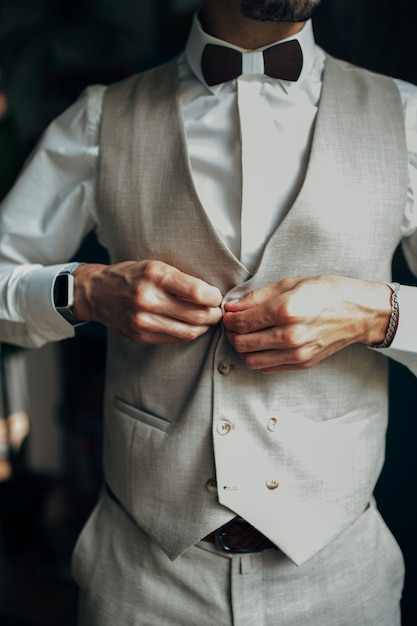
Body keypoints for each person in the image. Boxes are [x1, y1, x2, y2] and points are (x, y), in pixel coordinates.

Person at [0, 0, 417, 623]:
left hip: (341, 581)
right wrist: (83, 291)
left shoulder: (406, 119)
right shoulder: (98, 118)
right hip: (140, 584)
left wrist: (375, 313)